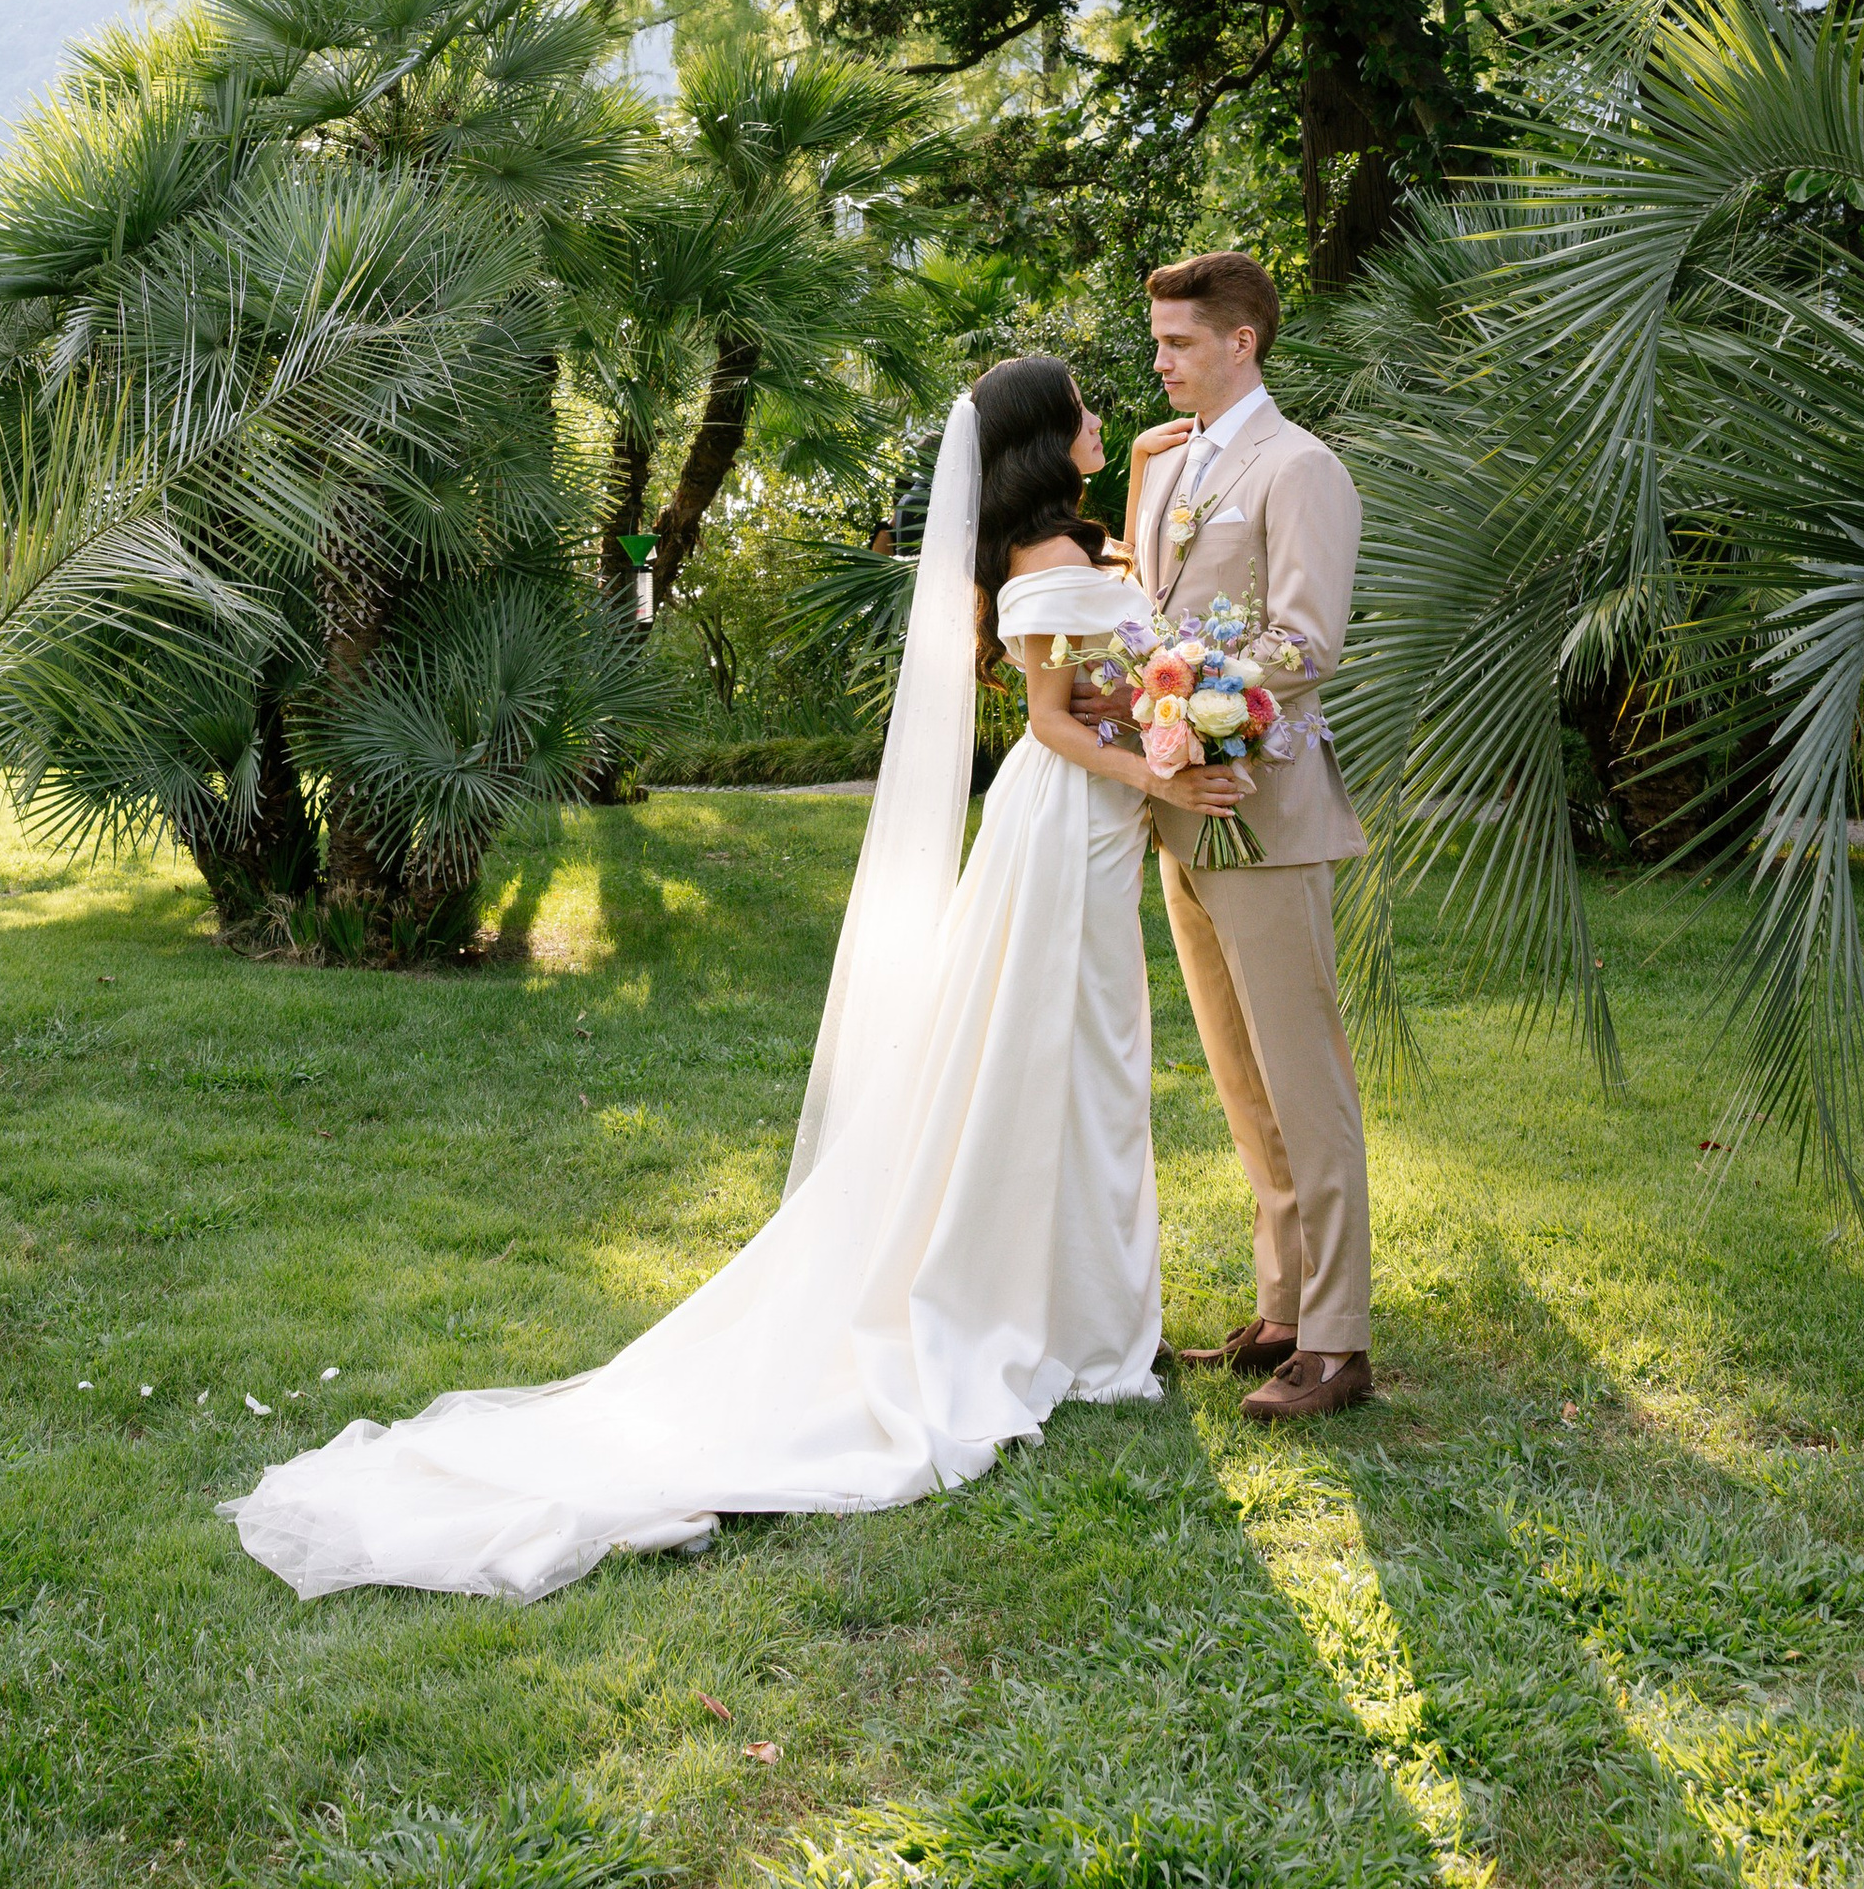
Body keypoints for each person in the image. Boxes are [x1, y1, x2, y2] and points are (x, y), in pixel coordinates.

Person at [224, 356, 1236, 1605]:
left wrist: (1145, 549)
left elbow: (1109, 662)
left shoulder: (1060, 551)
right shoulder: (1046, 567)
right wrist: (1171, 772)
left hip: (1073, 825)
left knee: (1080, 1058)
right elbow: (1052, 722)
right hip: (1060, 822)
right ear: (1040, 439)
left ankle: (1081, 1313)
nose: (1103, 421)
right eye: (1084, 410)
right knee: (1058, 1058)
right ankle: (1058, 1320)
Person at [1087, 250, 1374, 1422]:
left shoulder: (1299, 468)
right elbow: (1151, 610)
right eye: (1156, 341)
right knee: (1240, 1078)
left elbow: (1307, 644)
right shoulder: (1163, 464)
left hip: (1270, 809)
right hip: (1180, 811)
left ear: (1240, 341)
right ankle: (1282, 1310)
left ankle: (1342, 1344)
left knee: (1305, 1082)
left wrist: (1174, 693)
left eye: (1177, 343)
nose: (1158, 361)